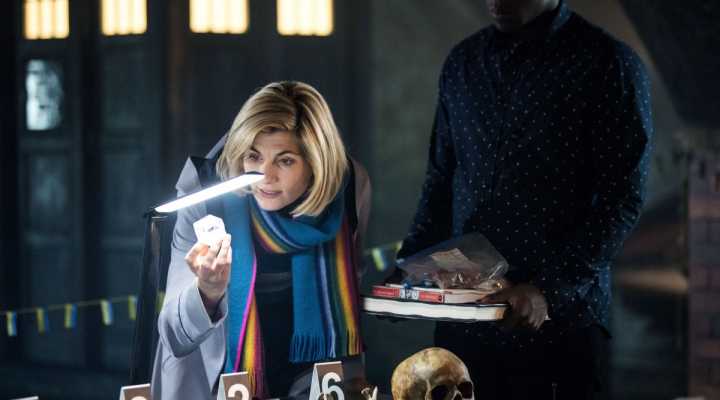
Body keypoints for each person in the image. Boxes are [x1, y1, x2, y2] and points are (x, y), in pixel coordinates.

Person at [393, 0, 653, 399]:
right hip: (464, 328)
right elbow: (441, 182)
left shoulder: (608, 64)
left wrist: (546, 289)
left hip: (561, 330)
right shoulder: (463, 63)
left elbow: (623, 198)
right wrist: (409, 270)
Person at [151, 81, 371, 399]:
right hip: (221, 376)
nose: (265, 176)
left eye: (285, 160)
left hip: (312, 367)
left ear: (316, 162)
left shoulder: (348, 187)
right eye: (253, 157)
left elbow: (352, 279)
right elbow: (174, 334)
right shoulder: (205, 194)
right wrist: (207, 291)